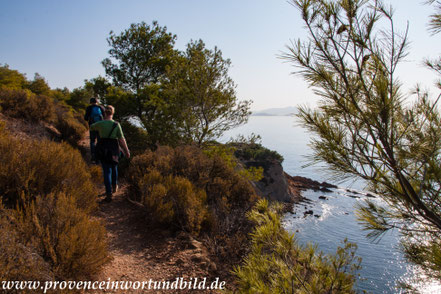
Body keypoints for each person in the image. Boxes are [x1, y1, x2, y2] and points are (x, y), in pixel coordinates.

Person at [90, 105, 130, 202]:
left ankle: (108, 194)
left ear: (104, 113)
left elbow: (91, 127)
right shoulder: (116, 124)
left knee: (106, 170)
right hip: (114, 147)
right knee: (114, 166)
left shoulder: (100, 124)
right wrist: (126, 151)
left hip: (103, 147)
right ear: (112, 113)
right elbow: (121, 139)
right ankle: (114, 186)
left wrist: (99, 127)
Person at [84, 98, 105, 163]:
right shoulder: (101, 107)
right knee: (99, 141)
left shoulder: (89, 108)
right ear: (97, 102)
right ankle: (100, 155)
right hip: (100, 127)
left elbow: (85, 118)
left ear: (91, 102)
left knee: (92, 141)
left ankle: (93, 155)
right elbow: (105, 116)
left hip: (92, 126)